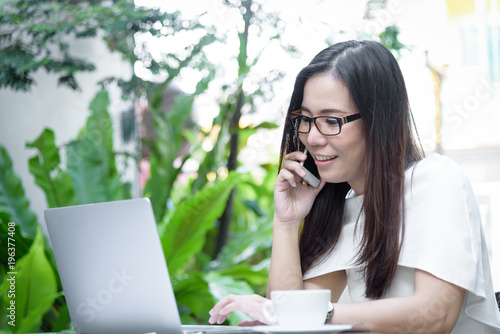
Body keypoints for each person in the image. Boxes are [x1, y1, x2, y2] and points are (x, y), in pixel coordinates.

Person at [208, 40, 500, 333]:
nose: (313, 138)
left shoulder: (436, 178)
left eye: (331, 120)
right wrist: (286, 222)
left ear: (378, 120)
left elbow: (435, 315)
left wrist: (317, 313)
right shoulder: (345, 205)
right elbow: (290, 323)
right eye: (306, 119)